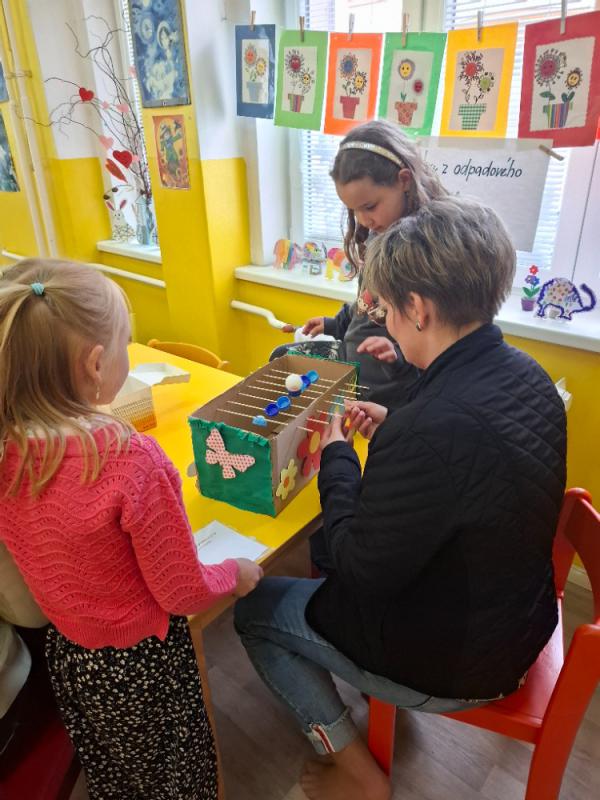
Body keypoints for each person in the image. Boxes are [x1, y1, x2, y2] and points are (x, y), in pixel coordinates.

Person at [235, 197, 567, 800]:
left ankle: (355, 768)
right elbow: (471, 471)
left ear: (418, 308)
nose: (384, 322)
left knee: (253, 610)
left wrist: (338, 453)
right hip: (520, 620)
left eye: (387, 309)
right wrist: (396, 423)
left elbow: (357, 569)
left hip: (461, 661)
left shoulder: (432, 429)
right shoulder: (528, 374)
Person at [0, 259, 263, 800]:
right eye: (125, 343)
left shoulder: (8, 453)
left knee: (116, 772)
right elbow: (181, 592)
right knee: (176, 777)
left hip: (72, 659)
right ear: (96, 364)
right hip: (143, 666)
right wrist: (234, 573)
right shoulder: (129, 459)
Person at [275, 119, 448, 410]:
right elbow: (366, 302)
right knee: (282, 359)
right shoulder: (378, 233)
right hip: (355, 367)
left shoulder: (425, 252)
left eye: (369, 206)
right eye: (353, 209)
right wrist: (335, 323)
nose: (363, 220)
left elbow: (435, 340)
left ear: (404, 181)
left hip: (392, 389)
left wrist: (397, 354)